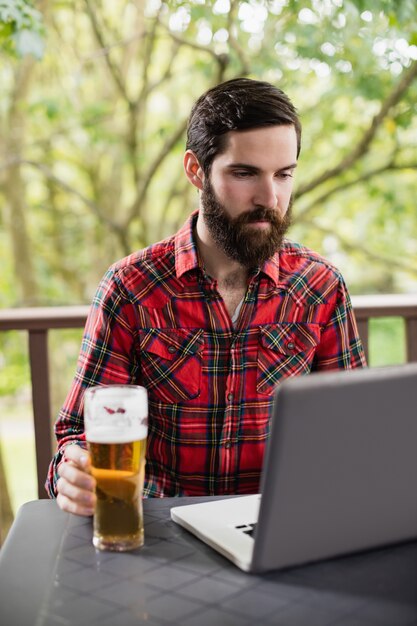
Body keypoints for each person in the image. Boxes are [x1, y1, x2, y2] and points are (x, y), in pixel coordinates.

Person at [47, 78, 366, 516]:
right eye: (244, 173)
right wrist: (75, 472)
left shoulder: (321, 287)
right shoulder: (130, 289)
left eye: (284, 174)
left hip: (281, 529)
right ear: (196, 170)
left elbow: (353, 430)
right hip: (160, 536)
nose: (270, 198)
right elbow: (78, 435)